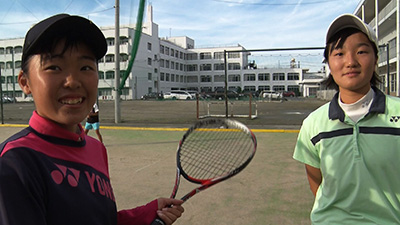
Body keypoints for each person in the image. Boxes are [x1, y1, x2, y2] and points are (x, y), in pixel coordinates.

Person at [0, 14, 184, 225]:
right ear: (25, 82)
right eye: (54, 67)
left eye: (85, 67)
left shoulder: (96, 149)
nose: (72, 81)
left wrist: (146, 214)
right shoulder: (14, 163)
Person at [293, 13, 400, 224]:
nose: (350, 61)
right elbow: (317, 182)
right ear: (329, 64)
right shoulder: (313, 124)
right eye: (339, 53)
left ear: (376, 58)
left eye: (361, 51)